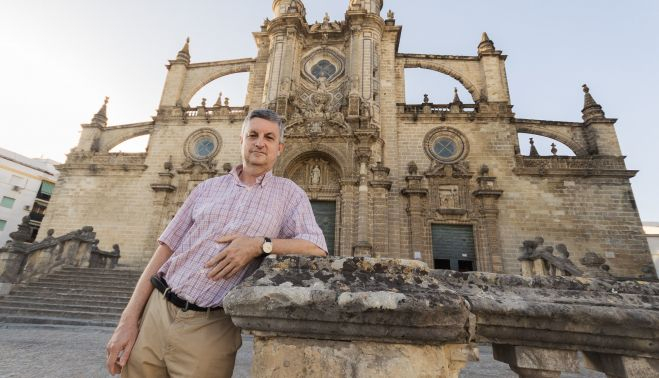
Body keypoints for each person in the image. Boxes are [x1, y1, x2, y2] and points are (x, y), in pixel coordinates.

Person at [106, 109, 328, 377]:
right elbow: (165, 249)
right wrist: (128, 321)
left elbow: (316, 246)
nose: (260, 142)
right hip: (158, 308)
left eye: (269, 137)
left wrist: (259, 245)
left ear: (279, 148)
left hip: (212, 325)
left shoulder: (289, 194)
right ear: (241, 140)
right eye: (253, 135)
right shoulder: (206, 188)